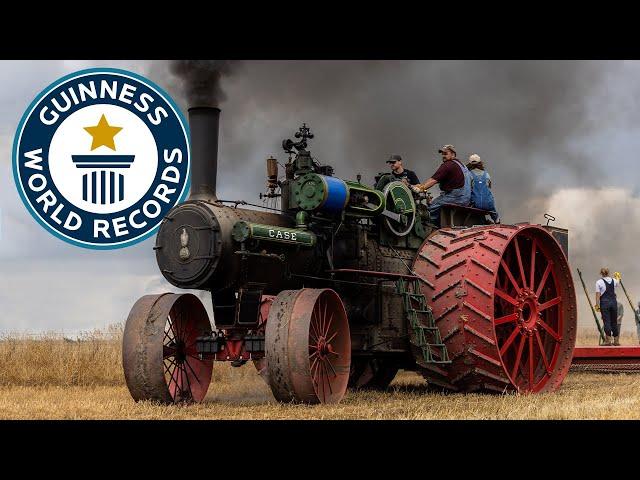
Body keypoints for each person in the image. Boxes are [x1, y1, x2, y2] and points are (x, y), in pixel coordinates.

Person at [410, 144, 471, 227]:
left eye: (446, 153)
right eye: (442, 154)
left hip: (456, 197)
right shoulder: (462, 165)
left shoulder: (448, 165)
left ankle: (429, 228)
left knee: (431, 208)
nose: (443, 156)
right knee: (437, 203)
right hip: (466, 198)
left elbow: (433, 180)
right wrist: (421, 185)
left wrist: (420, 189)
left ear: (453, 154)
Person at [467, 153, 499, 223]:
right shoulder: (486, 174)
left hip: (476, 204)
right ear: (480, 163)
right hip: (489, 204)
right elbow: (489, 187)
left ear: (470, 164)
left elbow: (468, 190)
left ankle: (481, 222)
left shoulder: (469, 174)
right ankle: (497, 220)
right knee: (492, 207)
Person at [595, 268, 621, 346]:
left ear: (601, 273)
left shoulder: (599, 282)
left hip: (604, 303)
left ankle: (608, 341)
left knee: (607, 322)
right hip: (613, 303)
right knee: (614, 322)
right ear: (608, 273)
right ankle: (616, 341)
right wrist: (618, 277)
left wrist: (597, 305)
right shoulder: (614, 280)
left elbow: (597, 295)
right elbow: (618, 283)